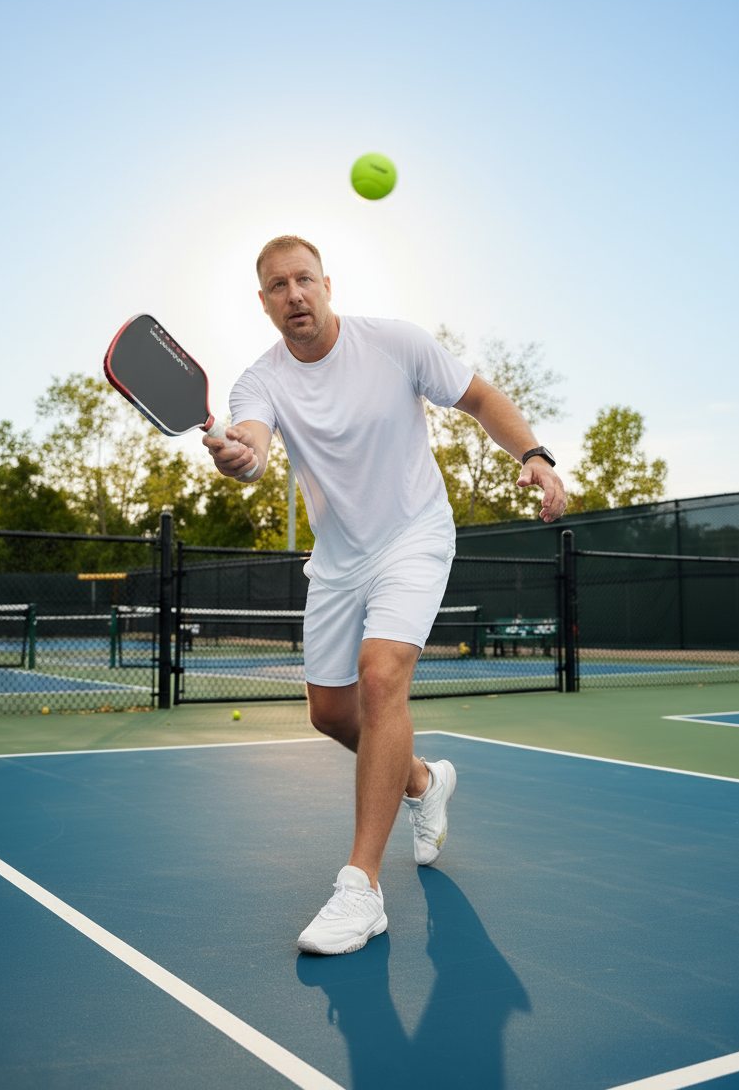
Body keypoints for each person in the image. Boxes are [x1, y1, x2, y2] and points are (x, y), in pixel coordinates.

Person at [205, 235, 567, 956]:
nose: (294, 294)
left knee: (380, 679)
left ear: (327, 284)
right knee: (331, 714)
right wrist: (239, 455)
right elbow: (253, 445)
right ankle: (423, 782)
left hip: (413, 534)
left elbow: (480, 397)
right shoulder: (260, 380)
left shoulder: (396, 344)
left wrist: (533, 454)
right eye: (277, 286)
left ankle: (361, 889)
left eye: (304, 279)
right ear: (263, 302)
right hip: (338, 560)